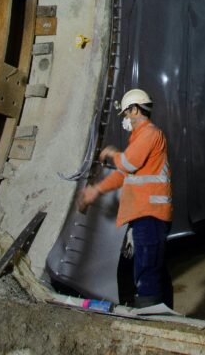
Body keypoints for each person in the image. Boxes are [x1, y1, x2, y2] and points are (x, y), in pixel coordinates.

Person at [78, 88, 173, 308]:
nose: (126, 119)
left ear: (136, 109)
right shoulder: (138, 139)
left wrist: (111, 152)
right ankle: (164, 313)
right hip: (144, 213)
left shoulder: (150, 133)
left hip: (151, 213)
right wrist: (96, 191)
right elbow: (123, 175)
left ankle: (150, 322)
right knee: (154, 267)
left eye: (127, 114)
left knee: (147, 270)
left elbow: (127, 163)